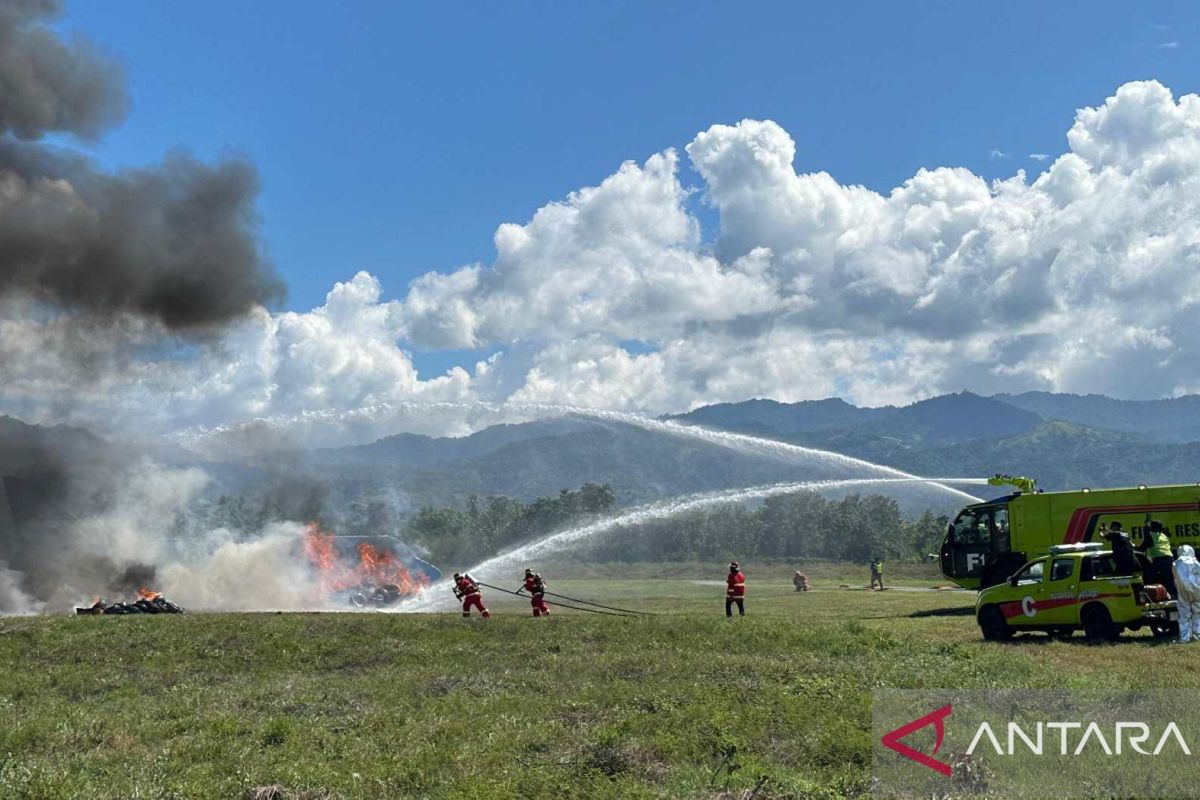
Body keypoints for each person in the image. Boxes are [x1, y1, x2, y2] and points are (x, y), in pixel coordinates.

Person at [1140, 520, 1176, 597]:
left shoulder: (1151, 536)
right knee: (1169, 577)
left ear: (1152, 527)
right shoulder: (1164, 535)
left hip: (1160, 559)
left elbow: (1142, 549)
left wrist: (1132, 546)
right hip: (1170, 558)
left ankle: (1160, 594)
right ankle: (1173, 594)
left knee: (1154, 577)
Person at [1173, 545, 1200, 643]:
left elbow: (1176, 579)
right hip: (1197, 592)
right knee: (1197, 614)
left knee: (1184, 616)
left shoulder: (1176, 563)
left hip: (1183, 592)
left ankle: (1185, 637)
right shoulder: (1196, 562)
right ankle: (1197, 635)